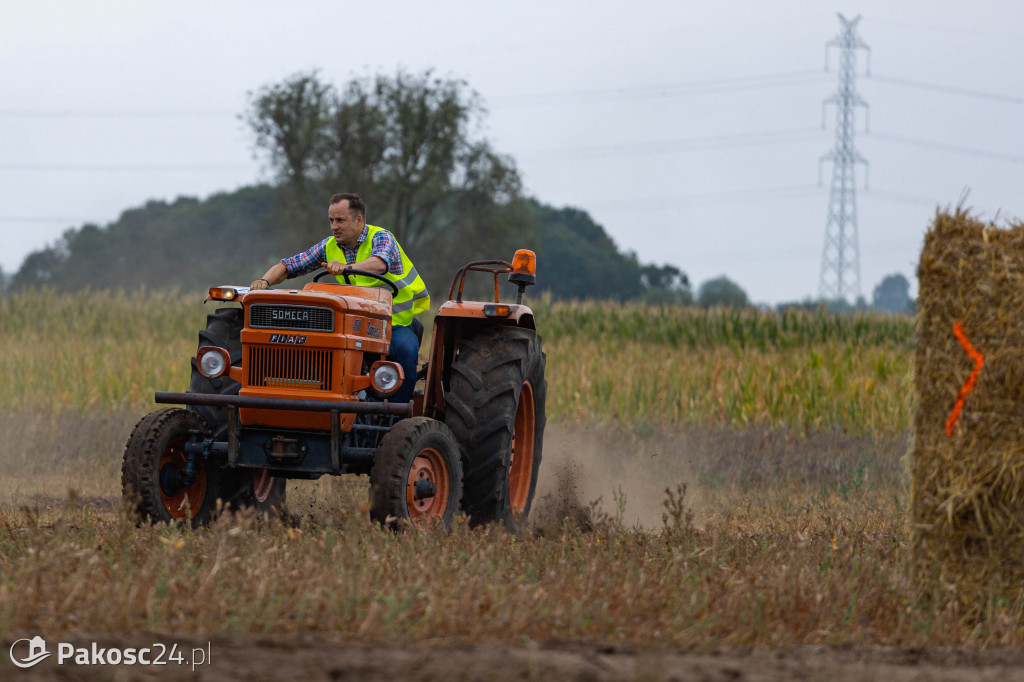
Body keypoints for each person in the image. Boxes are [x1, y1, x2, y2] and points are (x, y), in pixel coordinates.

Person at [251, 193, 430, 404]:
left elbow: (380, 263)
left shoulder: (381, 237)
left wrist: (347, 268)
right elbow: (288, 266)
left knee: (407, 351)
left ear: (359, 220)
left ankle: (395, 418)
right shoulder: (329, 246)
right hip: (353, 327)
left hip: (393, 325)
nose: (334, 226)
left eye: (340, 220)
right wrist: (264, 282)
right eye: (331, 220)